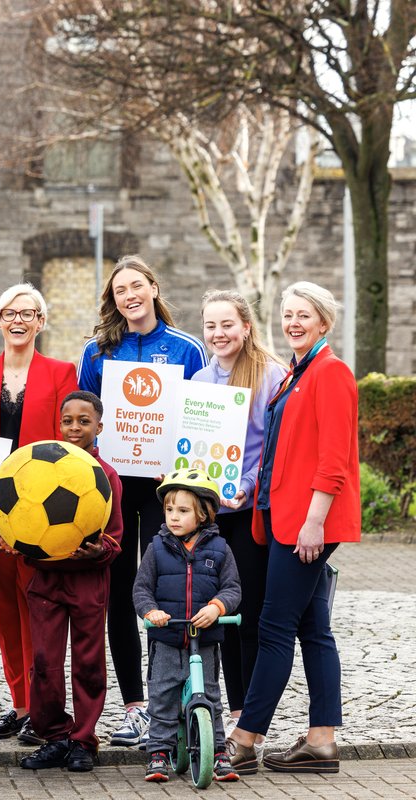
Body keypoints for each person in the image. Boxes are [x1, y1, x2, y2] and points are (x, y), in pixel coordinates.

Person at [226, 281, 360, 776]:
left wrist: (314, 522)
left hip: (307, 524)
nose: (294, 323)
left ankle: (245, 738)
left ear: (323, 322)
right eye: (288, 315)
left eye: (304, 315)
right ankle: (321, 741)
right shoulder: (295, 375)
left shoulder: (331, 373)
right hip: (283, 518)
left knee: (274, 626)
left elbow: (334, 458)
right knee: (313, 629)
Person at [76, 255, 207, 746]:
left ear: (153, 287)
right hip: (110, 488)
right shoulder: (96, 351)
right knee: (117, 592)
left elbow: (200, 417)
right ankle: (134, 706)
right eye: (119, 290)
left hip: (164, 489)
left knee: (166, 592)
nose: (129, 295)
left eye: (136, 285)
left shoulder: (185, 349)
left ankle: (166, 705)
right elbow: (85, 421)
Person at [0, 284, 78, 745]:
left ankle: (45, 706)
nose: (18, 320)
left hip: (41, 511)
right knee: (3, 613)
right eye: (9, 312)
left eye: (28, 313)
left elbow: (66, 443)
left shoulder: (61, 372)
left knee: (38, 611)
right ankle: (19, 705)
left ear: (41, 322)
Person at [192, 290, 287, 737]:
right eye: (211, 326)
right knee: (222, 613)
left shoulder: (269, 374)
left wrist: (246, 485)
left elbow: (274, 447)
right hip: (213, 514)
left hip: (249, 513)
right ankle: (233, 715)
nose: (218, 334)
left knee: (248, 612)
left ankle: (253, 722)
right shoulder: (201, 378)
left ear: (246, 326)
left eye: (227, 324)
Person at [16, 391, 122, 774]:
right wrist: (16, 544)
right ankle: (54, 737)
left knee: (89, 663)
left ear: (99, 427)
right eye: (67, 421)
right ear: (58, 424)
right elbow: (22, 523)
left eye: (83, 421)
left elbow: (115, 537)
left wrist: (99, 552)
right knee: (44, 662)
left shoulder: (106, 476)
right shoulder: (36, 470)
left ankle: (83, 740)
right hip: (46, 582)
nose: (74, 427)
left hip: (89, 584)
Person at [134, 470, 241, 783]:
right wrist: (151, 611)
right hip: (167, 639)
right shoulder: (156, 549)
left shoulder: (220, 550)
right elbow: (141, 589)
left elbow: (232, 588)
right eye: (169, 510)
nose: (174, 517)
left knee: (210, 696)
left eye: (183, 510)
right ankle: (158, 752)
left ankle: (218, 751)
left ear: (204, 514)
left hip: (204, 640)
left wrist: (216, 607)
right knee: (163, 695)